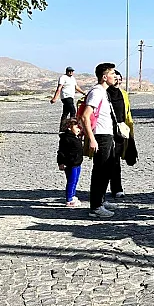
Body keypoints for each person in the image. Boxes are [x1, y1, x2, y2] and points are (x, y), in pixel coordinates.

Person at [81, 62, 120, 218]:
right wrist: (91, 138)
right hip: (100, 136)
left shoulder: (104, 92)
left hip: (108, 135)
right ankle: (95, 207)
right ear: (104, 77)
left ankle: (101, 200)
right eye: (112, 73)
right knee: (100, 171)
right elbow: (85, 116)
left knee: (107, 169)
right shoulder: (97, 92)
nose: (115, 76)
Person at [106, 70, 136, 201]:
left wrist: (130, 131)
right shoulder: (104, 94)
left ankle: (117, 188)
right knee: (105, 162)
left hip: (120, 132)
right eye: (115, 78)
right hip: (106, 131)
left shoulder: (124, 94)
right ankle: (101, 190)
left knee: (116, 161)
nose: (117, 81)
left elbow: (127, 113)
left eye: (120, 79)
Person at [57, 118, 84, 207]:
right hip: (71, 163)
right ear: (69, 127)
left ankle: (72, 195)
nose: (78, 128)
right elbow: (61, 152)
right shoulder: (66, 139)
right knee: (71, 181)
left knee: (75, 180)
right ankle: (69, 199)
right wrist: (61, 163)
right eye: (76, 126)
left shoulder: (76, 136)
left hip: (77, 162)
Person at [51, 67, 86, 131]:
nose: (71, 72)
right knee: (73, 111)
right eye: (69, 71)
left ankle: (62, 128)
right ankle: (72, 127)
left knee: (65, 112)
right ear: (66, 71)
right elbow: (59, 88)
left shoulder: (72, 78)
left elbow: (76, 87)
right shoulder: (63, 78)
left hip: (71, 96)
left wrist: (83, 93)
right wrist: (55, 98)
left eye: (72, 71)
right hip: (66, 96)